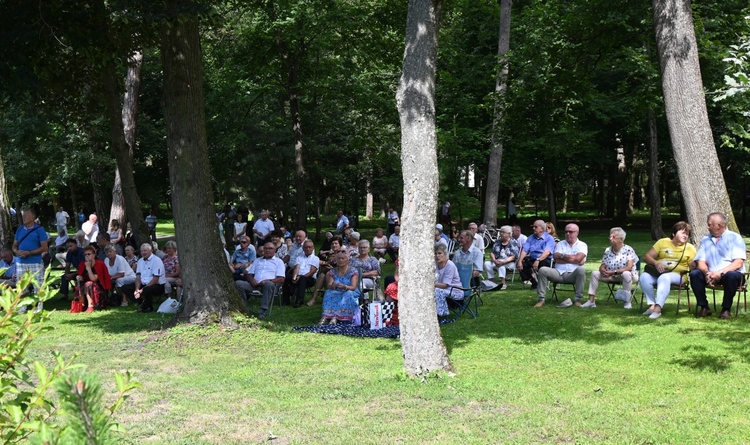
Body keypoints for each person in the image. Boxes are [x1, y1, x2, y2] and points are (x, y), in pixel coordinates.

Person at [690, 213, 746, 319]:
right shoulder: (706, 239)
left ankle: (726, 309)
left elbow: (738, 262)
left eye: (709, 224)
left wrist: (719, 273)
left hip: (731, 275)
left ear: (718, 226)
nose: (707, 227)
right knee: (695, 274)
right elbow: (700, 261)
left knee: (731, 275)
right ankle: (704, 307)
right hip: (710, 274)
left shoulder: (735, 238)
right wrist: (707, 274)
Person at [641, 221, 697, 319]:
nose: (685, 235)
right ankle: (652, 306)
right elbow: (646, 257)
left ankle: (658, 310)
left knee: (665, 277)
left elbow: (692, 266)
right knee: (644, 276)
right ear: (674, 233)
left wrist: (694, 264)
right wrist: (656, 263)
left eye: (687, 234)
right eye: (683, 233)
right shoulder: (662, 242)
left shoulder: (690, 248)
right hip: (659, 273)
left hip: (679, 276)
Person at [535, 223, 588, 308]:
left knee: (581, 270)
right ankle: (541, 299)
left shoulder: (582, 245)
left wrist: (563, 256)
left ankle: (578, 299)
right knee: (542, 270)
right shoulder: (560, 244)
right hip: (558, 273)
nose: (567, 234)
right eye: (566, 232)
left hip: (573, 274)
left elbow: (579, 259)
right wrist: (573, 259)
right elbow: (556, 258)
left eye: (570, 232)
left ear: (577, 233)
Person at [585, 227, 638, 309]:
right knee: (594, 273)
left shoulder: (628, 249)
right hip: (611, 276)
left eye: (613, 237)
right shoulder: (608, 250)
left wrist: (614, 272)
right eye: (610, 237)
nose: (610, 239)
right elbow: (602, 265)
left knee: (626, 273)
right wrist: (603, 271)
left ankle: (627, 302)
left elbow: (629, 268)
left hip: (628, 276)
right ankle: (591, 301)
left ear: (621, 239)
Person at [235, 242, 285, 318]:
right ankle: (244, 307)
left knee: (268, 284)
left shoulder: (279, 262)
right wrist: (252, 280)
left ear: (275, 251)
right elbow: (249, 274)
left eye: (270, 248)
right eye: (265, 248)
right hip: (255, 285)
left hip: (270, 286)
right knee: (238, 283)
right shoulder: (257, 260)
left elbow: (281, 279)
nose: (267, 250)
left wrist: (268, 281)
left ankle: (262, 311)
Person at [13, 207, 49, 313]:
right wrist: (17, 252)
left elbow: (44, 247)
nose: (23, 217)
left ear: (33, 217)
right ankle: (22, 307)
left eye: (26, 215)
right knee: (21, 285)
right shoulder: (19, 229)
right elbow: (14, 246)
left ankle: (38, 307)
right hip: (20, 262)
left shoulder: (39, 230)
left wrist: (30, 253)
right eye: (23, 215)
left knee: (38, 285)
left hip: (35, 261)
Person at [120, 243, 167, 313]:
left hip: (157, 285)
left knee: (147, 290)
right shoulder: (140, 261)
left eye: (145, 251)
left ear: (151, 251)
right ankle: (141, 303)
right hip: (143, 283)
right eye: (142, 251)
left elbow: (155, 279)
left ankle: (148, 308)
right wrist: (137, 289)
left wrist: (142, 290)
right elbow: (138, 276)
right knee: (125, 288)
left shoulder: (156, 260)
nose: (143, 253)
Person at [320, 249, 360, 325]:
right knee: (328, 292)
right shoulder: (332, 271)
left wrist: (345, 286)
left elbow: (353, 287)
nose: (340, 260)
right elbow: (329, 286)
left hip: (350, 290)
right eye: (338, 258)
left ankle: (336, 316)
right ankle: (326, 316)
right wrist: (333, 285)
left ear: (347, 259)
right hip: (336, 290)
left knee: (347, 294)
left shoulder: (353, 271)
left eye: (343, 258)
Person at [516, 220, 554, 292]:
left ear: (542, 229)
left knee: (542, 264)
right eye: (533, 227)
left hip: (544, 259)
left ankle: (540, 283)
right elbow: (525, 250)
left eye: (535, 227)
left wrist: (538, 260)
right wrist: (520, 261)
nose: (533, 228)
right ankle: (534, 282)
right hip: (532, 259)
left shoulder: (549, 238)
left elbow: (547, 252)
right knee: (522, 265)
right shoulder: (531, 237)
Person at [75, 245, 112, 312]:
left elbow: (93, 279)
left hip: (99, 290)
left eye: (89, 254)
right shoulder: (82, 264)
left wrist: (88, 268)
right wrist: (80, 277)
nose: (87, 256)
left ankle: (90, 306)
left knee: (89, 284)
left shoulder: (99, 264)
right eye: (85, 254)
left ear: (94, 255)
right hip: (86, 289)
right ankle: (82, 304)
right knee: (79, 283)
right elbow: (83, 277)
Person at [483, 225, 519, 290]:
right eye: (501, 232)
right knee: (486, 263)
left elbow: (513, 257)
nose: (501, 234)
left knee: (501, 266)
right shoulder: (498, 241)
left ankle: (503, 283)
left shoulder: (513, 242)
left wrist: (503, 262)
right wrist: (494, 260)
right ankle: (492, 281)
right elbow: (492, 253)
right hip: (497, 261)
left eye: (503, 232)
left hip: (509, 263)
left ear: (509, 234)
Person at [434, 243, 464, 317]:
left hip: (455, 291)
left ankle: (443, 316)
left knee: (437, 291)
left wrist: (431, 284)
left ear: (445, 254)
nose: (437, 256)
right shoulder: (435, 264)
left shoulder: (450, 265)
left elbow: (445, 285)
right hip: (443, 290)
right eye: (435, 253)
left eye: (439, 253)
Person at [287, 239, 319, 308]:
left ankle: (299, 301)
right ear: (303, 248)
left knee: (303, 278)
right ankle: (286, 299)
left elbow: (311, 272)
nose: (308, 249)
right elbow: (296, 268)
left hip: (309, 279)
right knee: (287, 277)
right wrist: (294, 278)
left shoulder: (316, 258)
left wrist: (299, 278)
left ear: (313, 248)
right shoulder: (299, 258)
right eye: (306, 247)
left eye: (310, 247)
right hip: (298, 276)